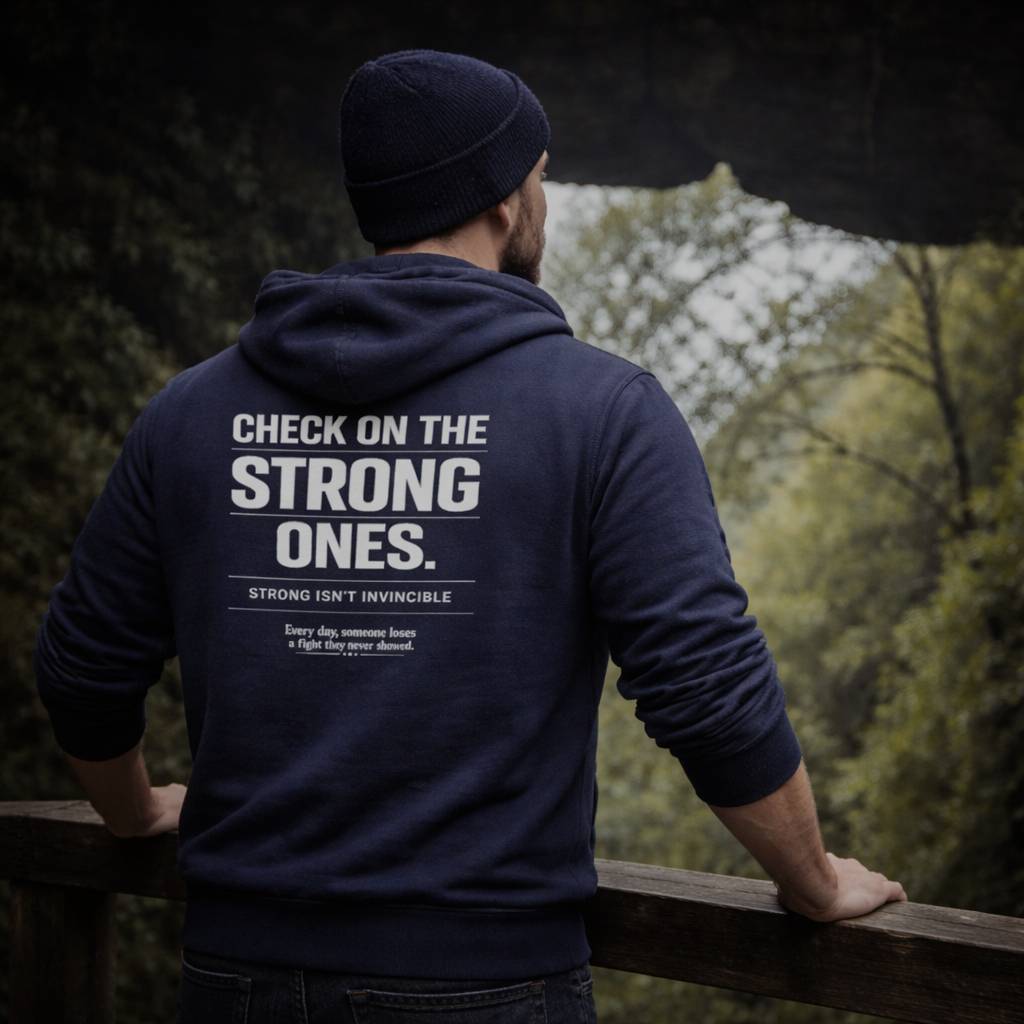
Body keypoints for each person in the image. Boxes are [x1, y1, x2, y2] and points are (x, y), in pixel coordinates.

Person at [33, 47, 907, 1024]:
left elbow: (80, 669)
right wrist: (814, 880)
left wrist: (137, 811)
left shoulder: (191, 414)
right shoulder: (602, 411)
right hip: (487, 982)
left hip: (233, 976)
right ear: (505, 198)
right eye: (541, 177)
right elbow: (706, 689)